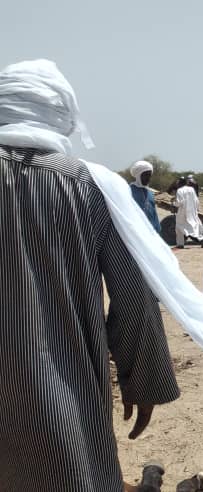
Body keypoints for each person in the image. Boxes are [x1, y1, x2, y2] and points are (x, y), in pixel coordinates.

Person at [0, 58, 182, 492]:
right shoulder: (87, 186)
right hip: (59, 398)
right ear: (62, 114)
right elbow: (134, 295)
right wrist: (143, 379)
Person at [174, 176, 203, 249]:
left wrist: (173, 204)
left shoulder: (179, 190)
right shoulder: (191, 189)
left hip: (182, 212)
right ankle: (202, 239)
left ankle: (180, 244)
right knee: (193, 226)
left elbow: (179, 203)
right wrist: (197, 209)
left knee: (179, 226)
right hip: (192, 212)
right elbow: (196, 200)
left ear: (180, 183)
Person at [129, 160, 161, 233]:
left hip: (151, 231)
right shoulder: (129, 191)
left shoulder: (150, 193)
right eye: (145, 175)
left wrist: (157, 230)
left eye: (149, 175)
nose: (148, 178)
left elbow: (153, 213)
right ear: (138, 175)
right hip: (135, 231)